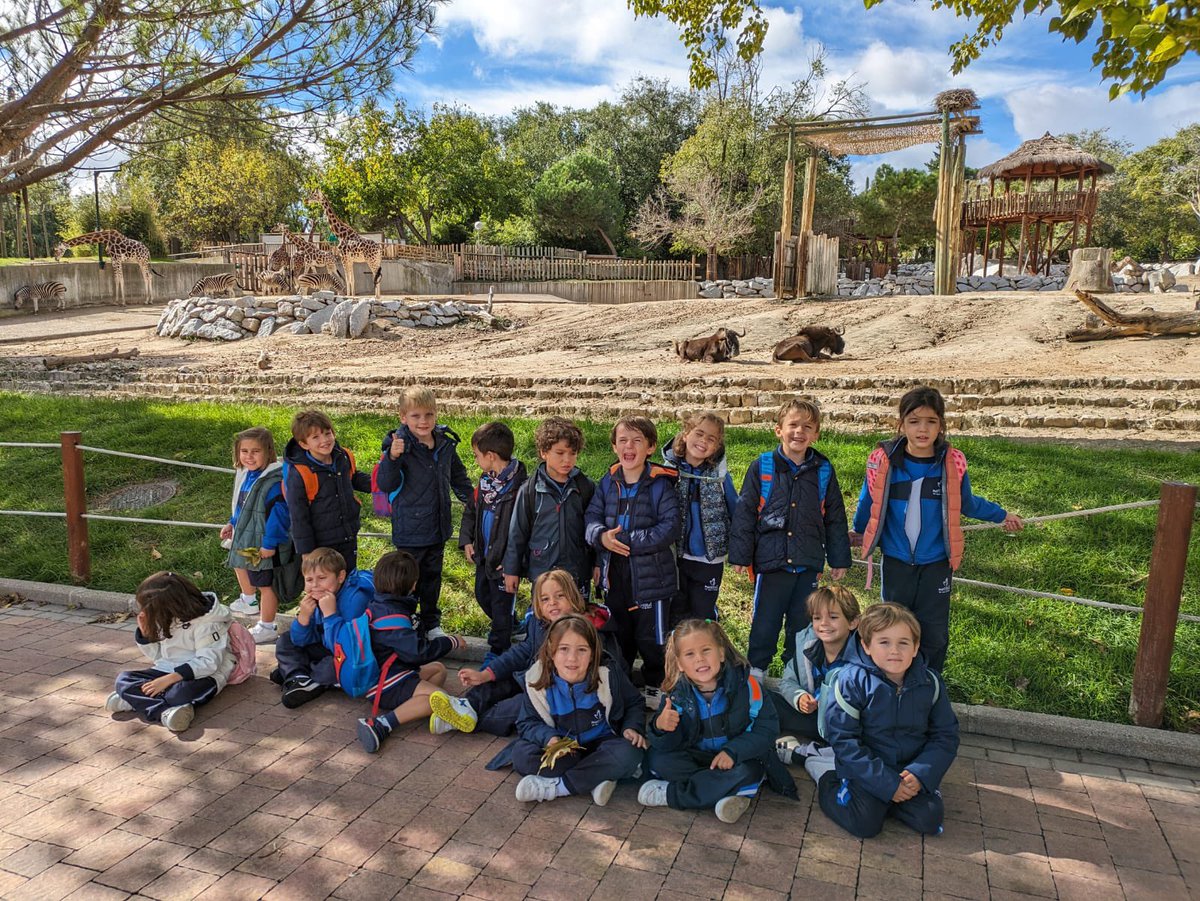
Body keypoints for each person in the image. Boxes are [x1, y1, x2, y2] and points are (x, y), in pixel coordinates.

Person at [850, 385, 1023, 672]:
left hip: (937, 562)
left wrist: (1002, 515)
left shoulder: (952, 463)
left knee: (934, 631)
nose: (922, 429)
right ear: (901, 423)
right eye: (914, 421)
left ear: (941, 425)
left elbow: (967, 503)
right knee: (893, 624)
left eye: (931, 421)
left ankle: (929, 683)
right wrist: (857, 533)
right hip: (896, 560)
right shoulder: (883, 460)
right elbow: (868, 500)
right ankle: (892, 680)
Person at [728, 398, 851, 679]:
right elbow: (745, 513)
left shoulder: (823, 469)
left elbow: (834, 516)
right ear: (778, 430)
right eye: (793, 425)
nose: (799, 432)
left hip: (807, 561)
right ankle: (757, 669)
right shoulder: (763, 466)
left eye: (807, 427)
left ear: (816, 434)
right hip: (772, 563)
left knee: (802, 621)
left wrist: (839, 557)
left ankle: (795, 671)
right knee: (765, 621)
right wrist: (740, 554)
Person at [818, 603, 959, 838]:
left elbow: (946, 735)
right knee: (865, 825)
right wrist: (885, 783)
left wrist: (921, 774)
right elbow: (844, 740)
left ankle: (891, 799)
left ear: (915, 648)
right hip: (867, 769)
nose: (895, 651)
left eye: (904, 643)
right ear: (866, 646)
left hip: (908, 770)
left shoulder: (930, 683)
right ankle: (829, 782)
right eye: (884, 642)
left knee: (930, 820)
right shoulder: (852, 682)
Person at [638, 619, 796, 824]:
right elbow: (667, 745)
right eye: (690, 654)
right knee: (658, 760)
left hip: (737, 758)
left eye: (706, 650)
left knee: (748, 770)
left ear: (721, 653)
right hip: (696, 756)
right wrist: (661, 728)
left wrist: (733, 751)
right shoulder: (675, 694)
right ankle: (728, 791)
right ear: (680, 664)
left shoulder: (747, 686)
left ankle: (673, 794)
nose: (699, 660)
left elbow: (767, 729)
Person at [431, 569, 613, 738]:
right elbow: (522, 652)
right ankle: (466, 705)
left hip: (555, 694)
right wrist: (486, 674)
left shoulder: (583, 630)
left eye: (560, 596)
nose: (552, 603)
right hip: (532, 677)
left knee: (511, 709)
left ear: (573, 597)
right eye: (545, 599)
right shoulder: (539, 623)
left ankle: (467, 720)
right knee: (496, 681)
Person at [586, 415, 679, 708]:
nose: (629, 447)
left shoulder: (660, 484)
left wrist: (624, 541)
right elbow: (591, 518)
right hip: (615, 576)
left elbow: (669, 528)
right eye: (623, 441)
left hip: (652, 578)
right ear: (614, 446)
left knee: (652, 638)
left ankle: (655, 685)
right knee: (619, 634)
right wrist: (601, 537)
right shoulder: (607, 482)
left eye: (637, 441)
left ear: (650, 447)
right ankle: (621, 684)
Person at [511, 614, 645, 806]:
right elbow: (526, 722)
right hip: (564, 750)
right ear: (551, 651)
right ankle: (595, 778)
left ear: (592, 654)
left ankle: (558, 787)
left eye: (582, 650)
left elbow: (634, 702)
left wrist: (631, 727)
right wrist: (548, 737)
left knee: (630, 752)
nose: (572, 658)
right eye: (564, 649)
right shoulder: (536, 680)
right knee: (521, 755)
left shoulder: (608, 674)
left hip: (603, 744)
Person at [375, 386, 473, 638]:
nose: (423, 421)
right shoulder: (398, 446)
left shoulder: (444, 443)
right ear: (403, 417)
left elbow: (458, 476)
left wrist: (472, 500)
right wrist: (392, 458)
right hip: (410, 530)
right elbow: (385, 484)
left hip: (437, 527)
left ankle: (430, 622)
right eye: (416, 416)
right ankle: (402, 621)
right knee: (407, 580)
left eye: (429, 415)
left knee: (432, 579)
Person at [355, 550, 467, 753]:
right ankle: (381, 725)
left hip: (393, 673)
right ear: (412, 585)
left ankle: (412, 705)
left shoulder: (382, 604)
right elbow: (417, 653)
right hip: (386, 683)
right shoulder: (393, 618)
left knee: (438, 670)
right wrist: (450, 642)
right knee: (440, 698)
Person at [105, 571, 236, 733]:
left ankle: (136, 701)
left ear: (169, 605)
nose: (145, 612)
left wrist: (169, 679)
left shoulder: (207, 624)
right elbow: (158, 657)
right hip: (168, 670)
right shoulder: (167, 617)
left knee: (178, 695)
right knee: (123, 680)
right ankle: (163, 711)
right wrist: (146, 634)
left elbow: (209, 663)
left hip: (206, 675)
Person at [503, 416, 595, 601]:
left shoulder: (586, 488)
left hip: (577, 573)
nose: (567, 460)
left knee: (575, 623)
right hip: (542, 572)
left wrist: (598, 564)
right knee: (543, 621)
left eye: (572, 453)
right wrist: (511, 570)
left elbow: (595, 528)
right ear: (544, 452)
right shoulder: (529, 491)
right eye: (560, 453)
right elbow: (517, 533)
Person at [271, 547, 374, 708]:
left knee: (329, 668)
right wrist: (303, 618)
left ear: (340, 576)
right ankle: (300, 677)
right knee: (285, 641)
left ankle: (298, 673)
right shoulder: (316, 597)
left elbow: (346, 649)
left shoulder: (354, 600)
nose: (315, 585)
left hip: (349, 652)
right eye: (309, 580)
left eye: (322, 578)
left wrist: (330, 615)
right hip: (326, 645)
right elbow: (299, 641)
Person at [661, 412, 739, 624]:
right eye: (699, 433)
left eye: (711, 439)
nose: (704, 441)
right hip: (676, 556)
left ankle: (706, 649)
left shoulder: (720, 477)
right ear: (686, 434)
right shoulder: (667, 473)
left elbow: (737, 512)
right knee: (676, 611)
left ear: (716, 447)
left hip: (709, 559)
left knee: (703, 613)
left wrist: (742, 551)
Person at [459, 422, 527, 663]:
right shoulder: (485, 481)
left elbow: (524, 530)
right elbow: (470, 510)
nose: (476, 460)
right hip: (484, 557)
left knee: (500, 608)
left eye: (477, 455)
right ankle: (515, 625)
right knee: (482, 595)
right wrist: (467, 539)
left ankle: (499, 651)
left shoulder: (521, 488)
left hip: (504, 563)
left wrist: (513, 563)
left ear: (491, 456)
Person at [772, 584, 861, 767]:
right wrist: (799, 697)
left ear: (853, 622)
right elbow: (788, 681)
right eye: (817, 618)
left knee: (857, 744)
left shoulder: (863, 656)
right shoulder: (807, 645)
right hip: (814, 720)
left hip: (845, 728)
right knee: (766, 700)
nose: (824, 624)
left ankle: (804, 754)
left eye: (833, 617)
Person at [223, 427, 290, 643]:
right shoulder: (249, 476)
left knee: (265, 584)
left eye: (255, 451)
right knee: (242, 565)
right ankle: (249, 601)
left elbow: (279, 516)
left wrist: (269, 543)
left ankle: (267, 625)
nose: (249, 457)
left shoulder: (272, 482)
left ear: (268, 451)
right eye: (244, 451)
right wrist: (232, 523)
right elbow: (243, 507)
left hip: (262, 542)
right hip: (248, 537)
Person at [283, 410, 371, 572]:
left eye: (327, 433)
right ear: (304, 444)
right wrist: (306, 551)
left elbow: (352, 476)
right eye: (315, 437)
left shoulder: (343, 456)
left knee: (348, 576)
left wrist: (378, 484)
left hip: (347, 534)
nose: (324, 440)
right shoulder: (299, 473)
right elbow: (298, 515)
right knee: (325, 584)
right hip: (320, 542)